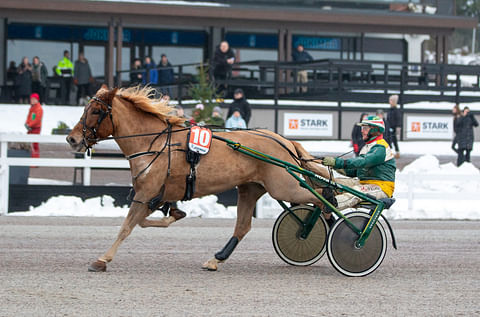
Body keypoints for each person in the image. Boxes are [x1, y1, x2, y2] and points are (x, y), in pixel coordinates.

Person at [322, 115, 396, 219]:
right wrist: (334, 165)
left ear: (375, 130)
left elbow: (363, 162)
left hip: (381, 187)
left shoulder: (381, 147)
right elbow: (355, 171)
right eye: (362, 128)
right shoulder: (367, 147)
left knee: (356, 191)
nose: (362, 131)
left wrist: (338, 162)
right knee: (333, 183)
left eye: (365, 128)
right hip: (364, 183)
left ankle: (332, 204)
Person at [25, 93, 43, 158]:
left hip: (36, 128)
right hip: (31, 128)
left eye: (33, 99)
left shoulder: (39, 108)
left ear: (37, 100)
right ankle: (30, 158)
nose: (32, 100)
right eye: (31, 99)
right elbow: (29, 117)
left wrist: (29, 125)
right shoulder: (32, 108)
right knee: (29, 143)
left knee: (35, 144)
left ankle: (35, 159)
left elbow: (37, 119)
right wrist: (27, 123)